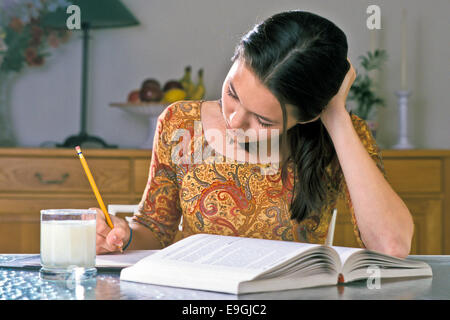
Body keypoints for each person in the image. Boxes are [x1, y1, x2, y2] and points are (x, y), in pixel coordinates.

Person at [93, 10, 414, 258]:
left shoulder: (339, 135)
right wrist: (122, 235)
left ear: (308, 116)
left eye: (262, 119)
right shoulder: (180, 124)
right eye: (232, 93)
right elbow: (154, 228)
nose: (234, 120)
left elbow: (392, 246)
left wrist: (335, 116)